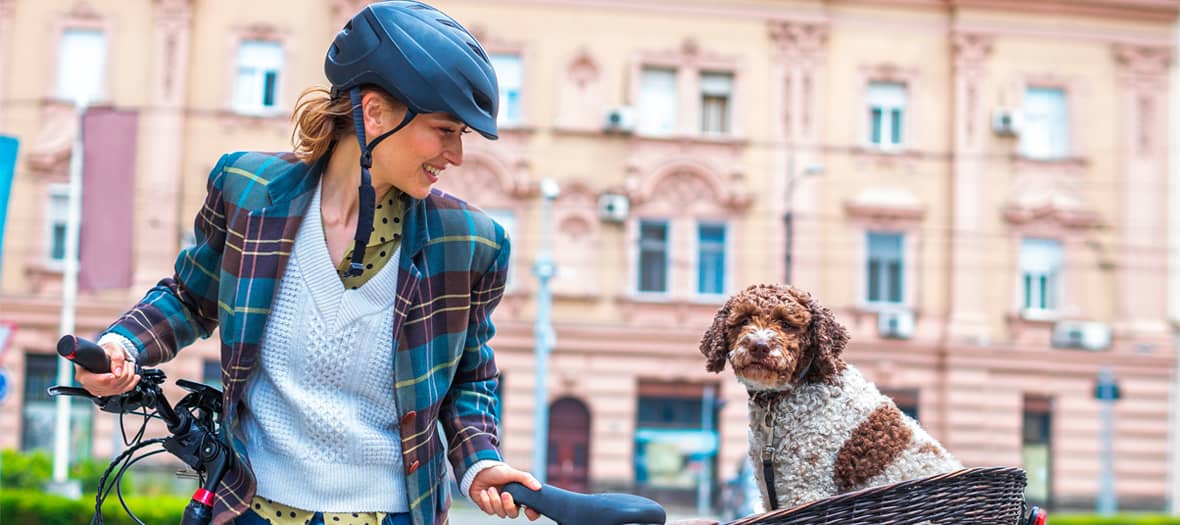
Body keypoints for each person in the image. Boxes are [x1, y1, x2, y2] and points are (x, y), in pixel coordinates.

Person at [73, 2, 542, 524]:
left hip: (390, 514)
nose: (456, 155)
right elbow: (190, 297)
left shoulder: (470, 243)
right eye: (445, 130)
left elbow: (468, 378)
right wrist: (121, 345)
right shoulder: (248, 191)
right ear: (376, 113)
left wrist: (479, 462)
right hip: (248, 508)